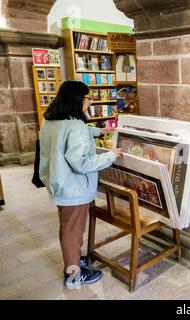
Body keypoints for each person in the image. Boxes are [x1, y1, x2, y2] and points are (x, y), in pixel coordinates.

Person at [39, 80, 123, 289]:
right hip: (74, 188)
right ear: (76, 99)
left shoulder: (51, 120)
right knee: (73, 231)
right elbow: (81, 163)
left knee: (67, 227)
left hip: (59, 183)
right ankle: (73, 274)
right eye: (88, 97)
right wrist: (110, 156)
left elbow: (69, 134)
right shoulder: (75, 126)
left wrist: (98, 132)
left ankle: (73, 260)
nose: (91, 101)